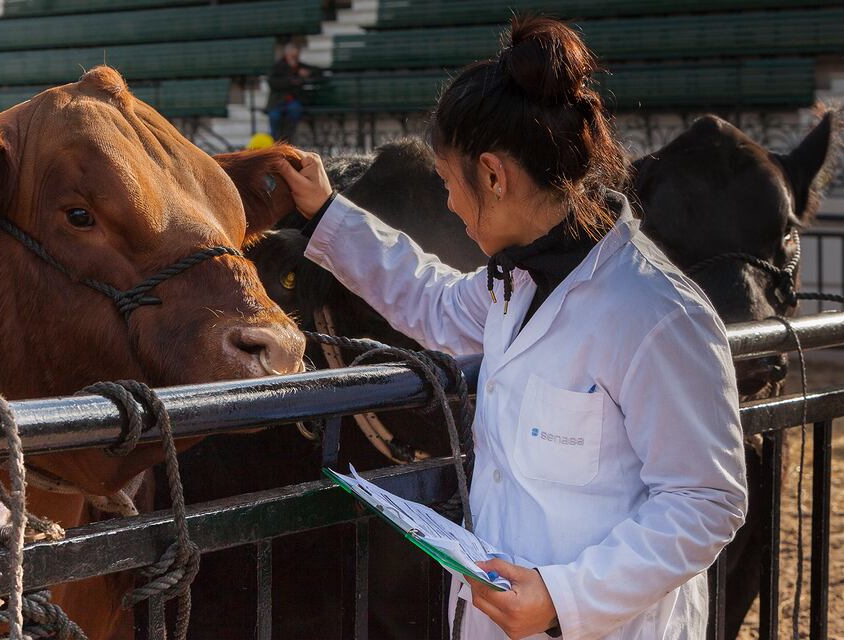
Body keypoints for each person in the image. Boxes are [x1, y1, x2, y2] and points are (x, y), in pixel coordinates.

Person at [275, 16, 748, 640]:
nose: (447, 204)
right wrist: (328, 211)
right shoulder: (518, 280)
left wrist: (564, 597)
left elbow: (707, 500)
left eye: (450, 184)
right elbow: (432, 300)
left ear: (494, 176)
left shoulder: (658, 315)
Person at [266, 42, 320, 142]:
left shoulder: (299, 66)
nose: (294, 58)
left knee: (295, 110)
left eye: (296, 56)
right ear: (287, 54)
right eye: (292, 56)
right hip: (277, 101)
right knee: (274, 116)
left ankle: (288, 140)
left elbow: (317, 70)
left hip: (293, 100)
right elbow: (272, 83)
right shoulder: (278, 66)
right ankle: (275, 142)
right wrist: (291, 81)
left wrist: (308, 73)